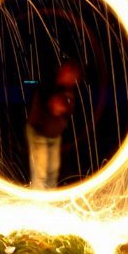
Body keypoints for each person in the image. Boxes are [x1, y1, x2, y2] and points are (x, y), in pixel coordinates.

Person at [25, 60, 82, 189]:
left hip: (55, 135)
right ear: (64, 72)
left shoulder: (69, 91)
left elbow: (67, 109)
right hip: (39, 132)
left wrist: (63, 107)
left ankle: (48, 200)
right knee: (40, 172)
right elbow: (52, 106)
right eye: (72, 76)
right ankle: (39, 201)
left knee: (52, 171)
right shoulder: (48, 84)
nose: (74, 80)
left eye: (75, 78)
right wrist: (57, 106)